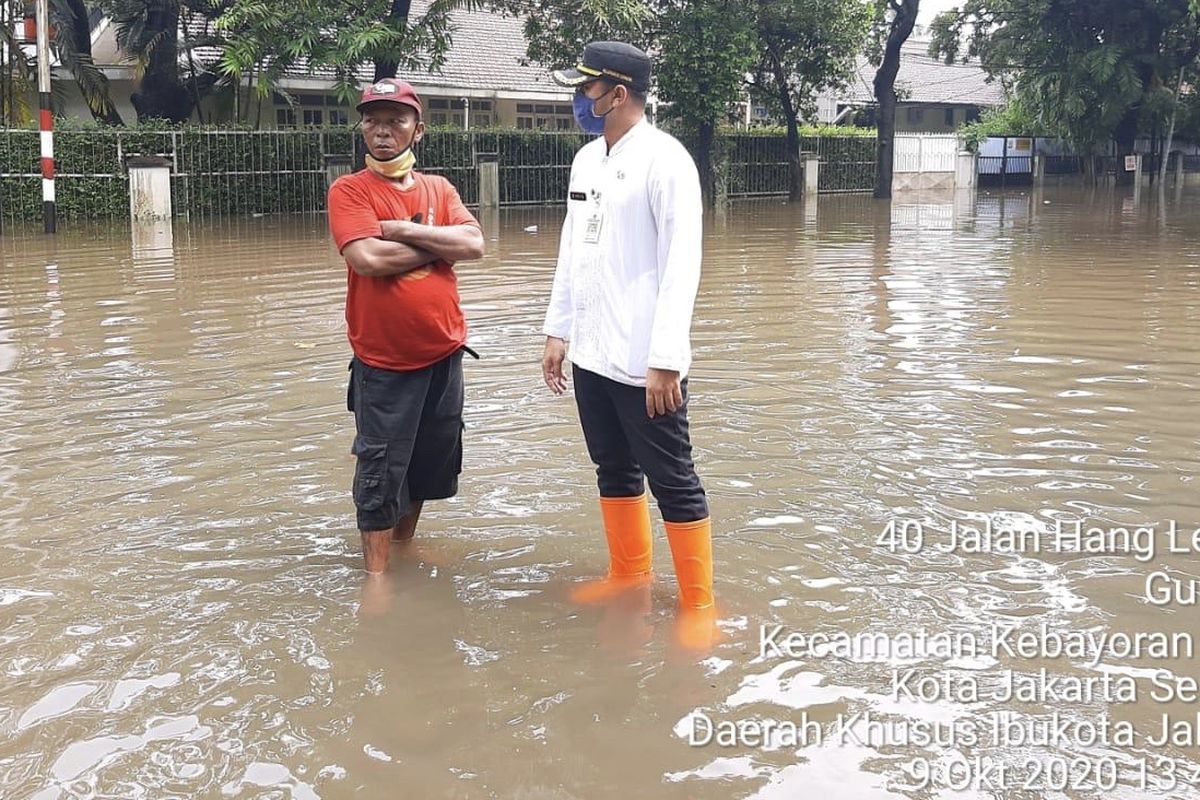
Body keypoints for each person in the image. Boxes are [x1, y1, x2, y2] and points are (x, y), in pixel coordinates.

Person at [541, 42, 715, 650]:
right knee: (612, 467)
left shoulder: (668, 162)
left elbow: (681, 264)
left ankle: (698, 604)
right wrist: (557, 330)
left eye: (587, 89)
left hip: (646, 361)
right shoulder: (587, 160)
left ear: (618, 94)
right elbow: (572, 248)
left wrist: (666, 359)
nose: (578, 100)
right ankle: (629, 574)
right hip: (591, 352)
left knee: (674, 478)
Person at [326, 78, 485, 576]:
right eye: (372, 120)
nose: (382, 131)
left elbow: (476, 244)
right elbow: (368, 258)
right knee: (379, 469)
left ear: (419, 129)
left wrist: (406, 230)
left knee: (428, 462)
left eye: (396, 120)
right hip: (385, 363)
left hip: (444, 355)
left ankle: (403, 546)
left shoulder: (439, 188)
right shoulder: (349, 190)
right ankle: (375, 579)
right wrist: (441, 242)